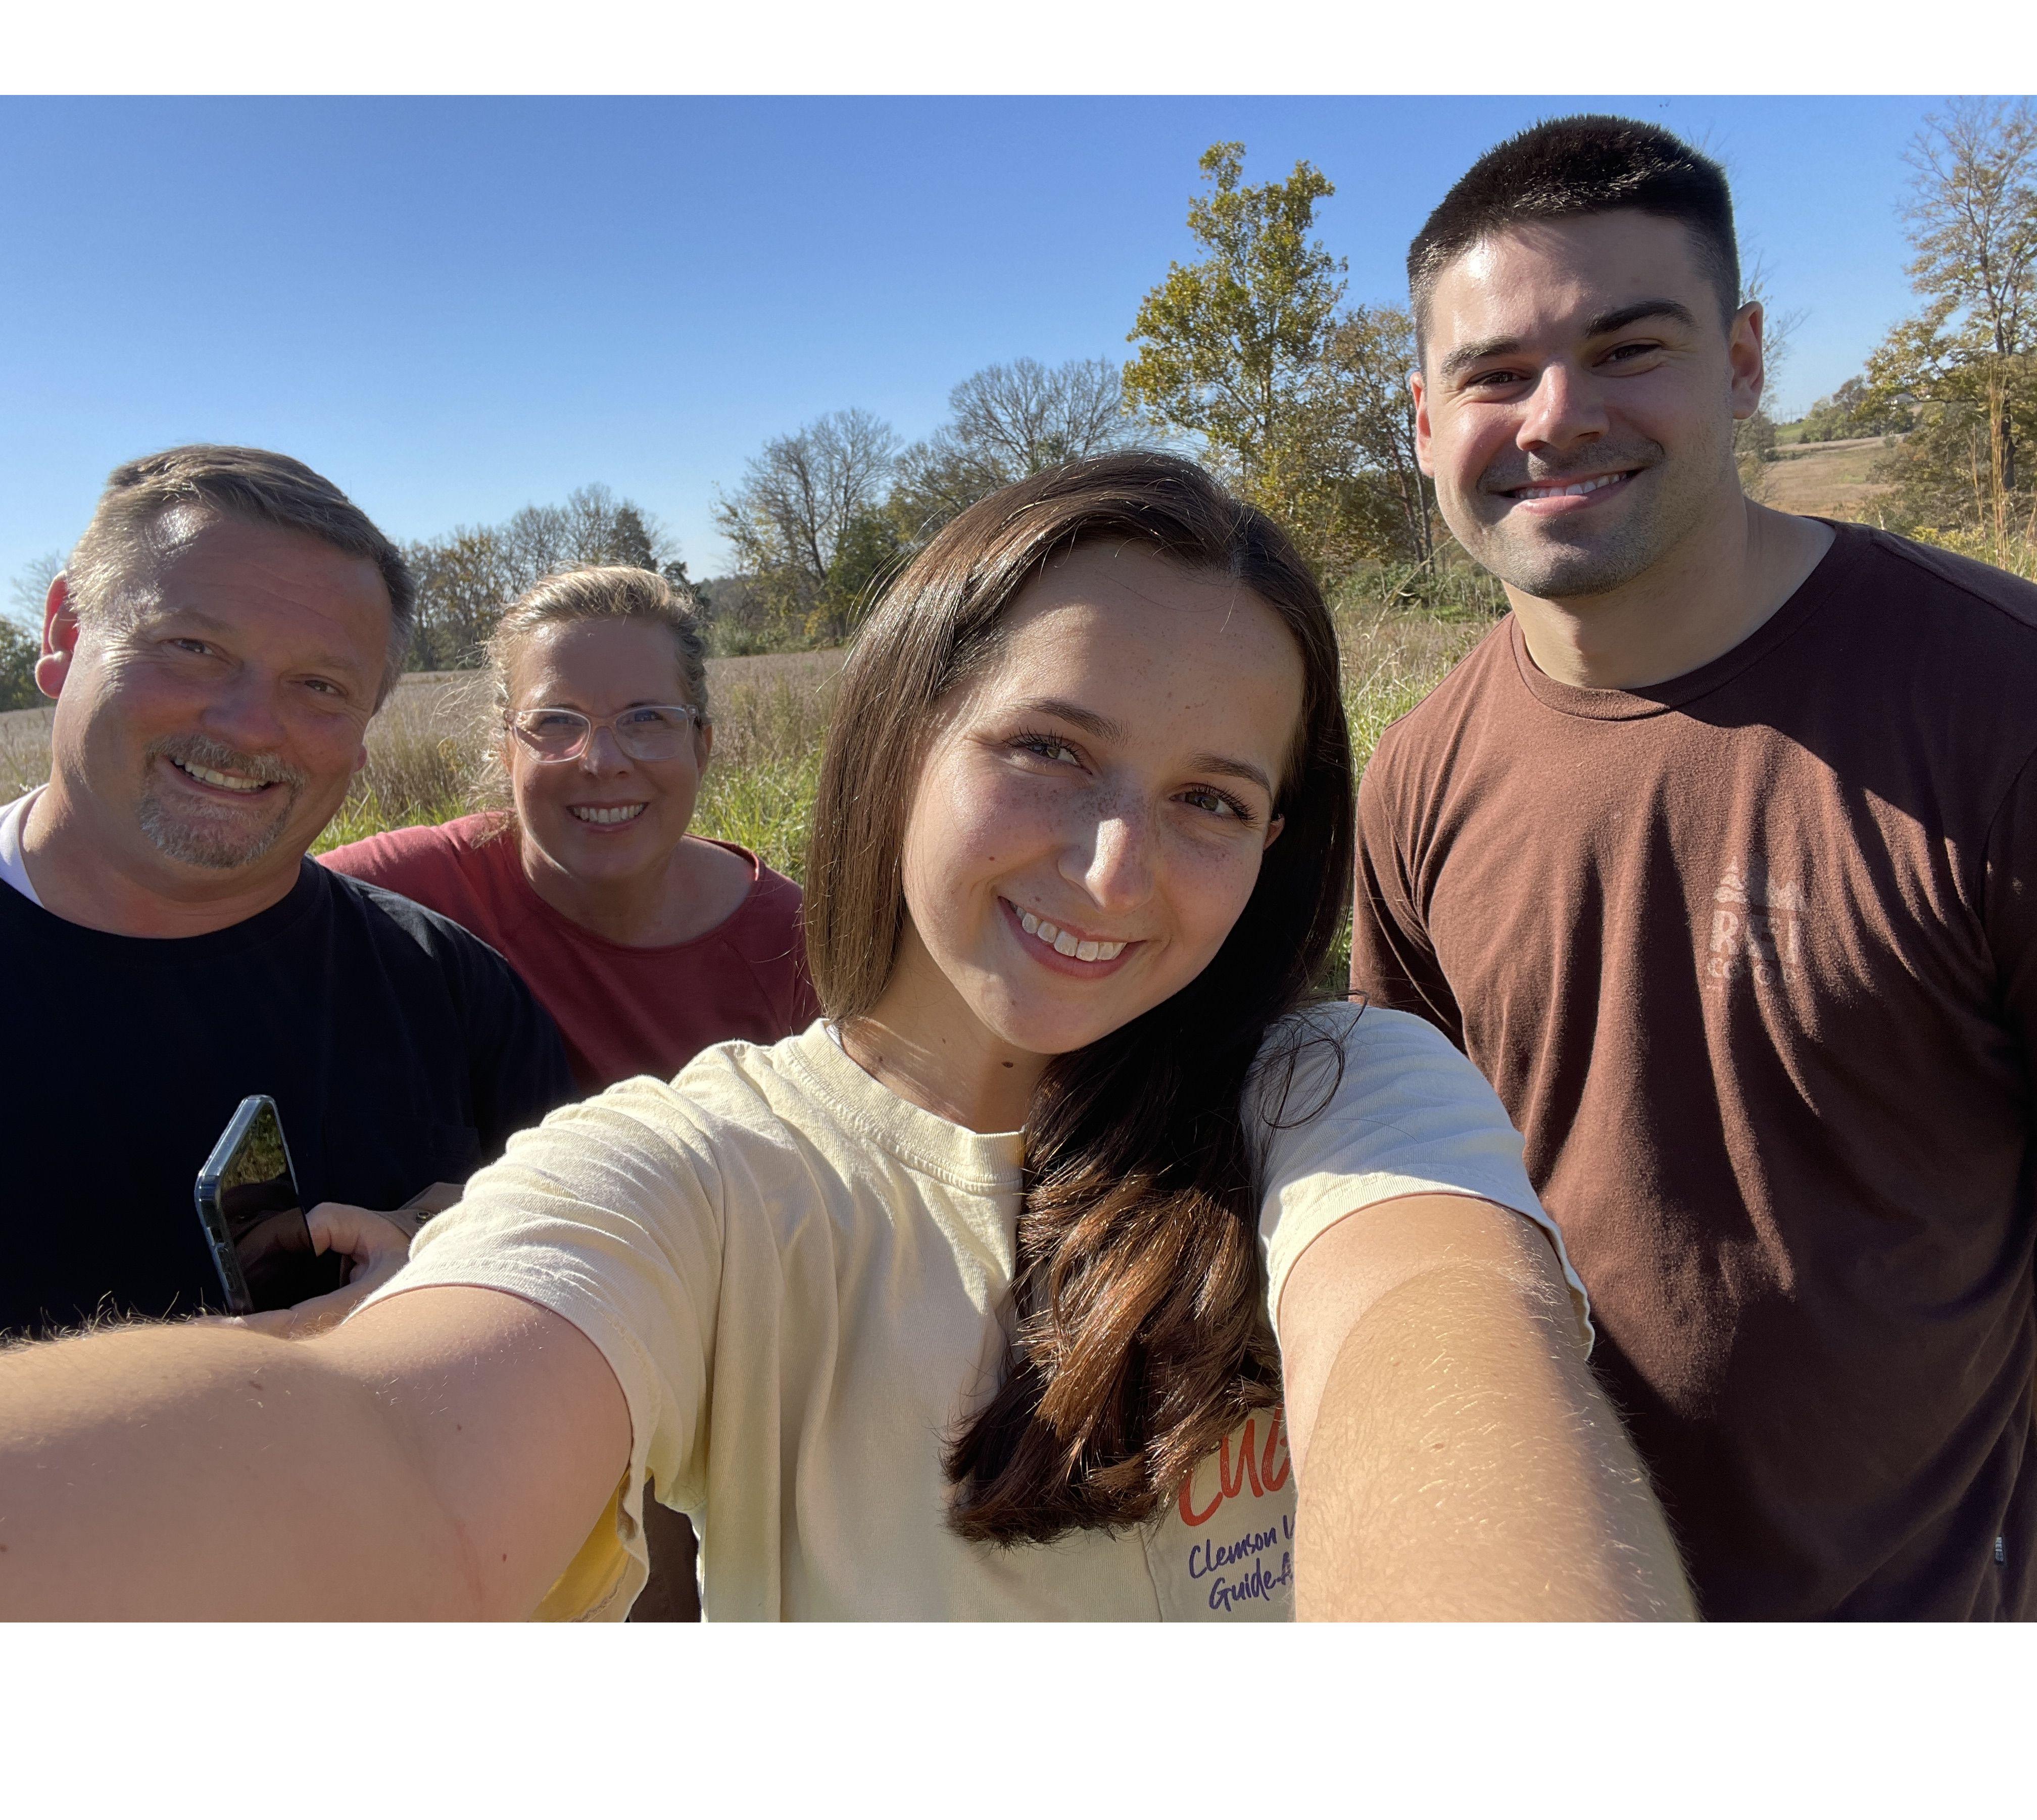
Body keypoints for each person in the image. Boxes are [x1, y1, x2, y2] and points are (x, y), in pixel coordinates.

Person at [0, 455, 1690, 1622]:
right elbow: (395, 1464)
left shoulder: (1339, 1095)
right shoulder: (707, 1170)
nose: (1113, 865)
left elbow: (1445, 1343)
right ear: (900, 744)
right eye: (1047, 748)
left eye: (1211, 799)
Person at [1348, 114, 2037, 1621]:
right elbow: (1417, 1190)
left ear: (1741, 363)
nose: (1555, 416)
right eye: (1492, 375)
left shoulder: (1995, 704)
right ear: (1420, 420)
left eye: (1627, 346)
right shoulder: (1416, 779)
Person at [322, 564, 817, 1620]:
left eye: (647, 718)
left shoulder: (802, 950)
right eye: (557, 724)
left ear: (703, 742)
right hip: (480, 1387)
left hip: (717, 1402)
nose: (604, 761)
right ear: (502, 745)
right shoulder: (399, 895)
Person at [0, 445, 574, 1341]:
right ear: (66, 635)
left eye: (319, 686)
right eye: (193, 647)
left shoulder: (454, 997)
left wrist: (453, 1255)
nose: (250, 726)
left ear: (366, 729)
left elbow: (577, 1286)